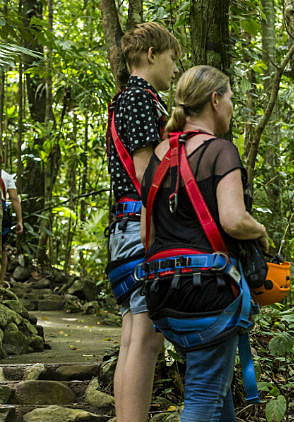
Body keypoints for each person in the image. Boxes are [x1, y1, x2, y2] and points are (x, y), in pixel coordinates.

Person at [139, 65, 269, 422]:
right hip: (208, 295)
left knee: (216, 393)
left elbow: (146, 236)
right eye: (230, 99)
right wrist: (260, 230)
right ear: (215, 100)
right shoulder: (220, 151)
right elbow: (234, 220)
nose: (231, 107)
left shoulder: (159, 154)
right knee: (204, 397)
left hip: (163, 295)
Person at [105, 22, 180, 422]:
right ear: (152, 55)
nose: (174, 68)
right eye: (171, 58)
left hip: (127, 224)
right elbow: (146, 171)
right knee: (148, 339)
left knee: (134, 337)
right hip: (140, 225)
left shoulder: (127, 98)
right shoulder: (139, 98)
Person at [0, 168, 23, 283]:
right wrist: (19, 221)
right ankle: (0, 282)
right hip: (3, 215)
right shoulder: (6, 176)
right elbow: (14, 198)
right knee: (2, 248)